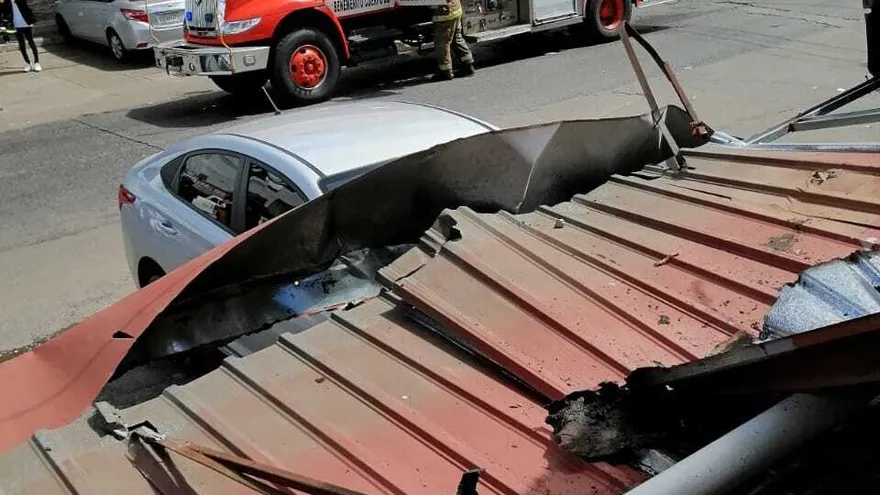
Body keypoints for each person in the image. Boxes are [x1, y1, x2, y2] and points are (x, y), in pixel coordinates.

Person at [431, 0, 475, 81]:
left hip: (445, 12)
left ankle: (445, 71)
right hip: (455, 8)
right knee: (456, 38)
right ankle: (468, 65)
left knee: (443, 42)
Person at [0, 0, 40, 72]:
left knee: (31, 41)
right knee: (21, 44)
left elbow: (24, 5)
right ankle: (28, 63)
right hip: (16, 25)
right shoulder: (7, 1)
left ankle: (37, 62)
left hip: (25, 22)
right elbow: (5, 11)